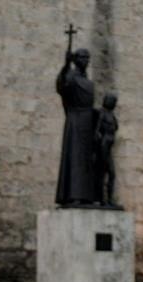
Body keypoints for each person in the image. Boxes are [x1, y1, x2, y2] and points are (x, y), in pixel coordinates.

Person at [55, 48, 98, 206]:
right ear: (76, 59)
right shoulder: (71, 78)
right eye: (82, 57)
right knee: (74, 158)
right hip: (76, 121)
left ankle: (86, 196)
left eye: (88, 58)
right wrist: (66, 64)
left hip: (88, 123)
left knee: (87, 160)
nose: (86, 60)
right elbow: (61, 86)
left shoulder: (85, 79)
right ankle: (73, 195)